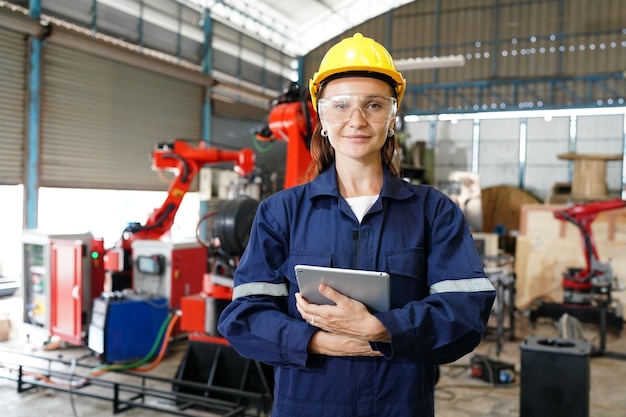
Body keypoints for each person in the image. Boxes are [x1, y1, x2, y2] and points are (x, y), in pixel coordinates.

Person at [217, 33, 496, 417]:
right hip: (307, 405)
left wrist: (383, 329)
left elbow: (465, 314)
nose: (357, 120)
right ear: (322, 118)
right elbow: (243, 318)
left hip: (399, 405)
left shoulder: (434, 212)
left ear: (392, 117)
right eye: (341, 105)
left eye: (374, 105)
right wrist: (320, 341)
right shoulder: (280, 212)